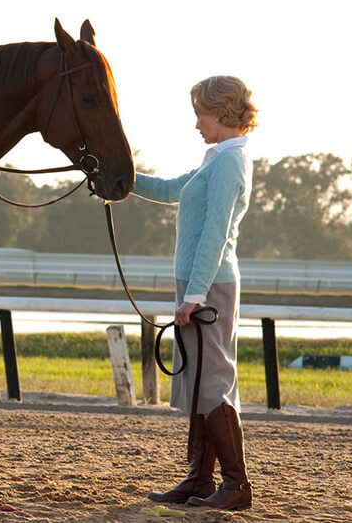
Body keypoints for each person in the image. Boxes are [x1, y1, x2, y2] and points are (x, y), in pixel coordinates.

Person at [135, 75, 258, 510]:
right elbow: (170, 190)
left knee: (212, 381)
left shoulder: (228, 162)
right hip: (197, 284)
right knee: (200, 380)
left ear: (219, 112)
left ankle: (235, 485)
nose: (196, 124)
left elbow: (215, 233)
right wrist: (119, 178)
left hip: (209, 284)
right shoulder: (216, 158)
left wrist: (196, 295)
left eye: (200, 115)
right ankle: (199, 480)